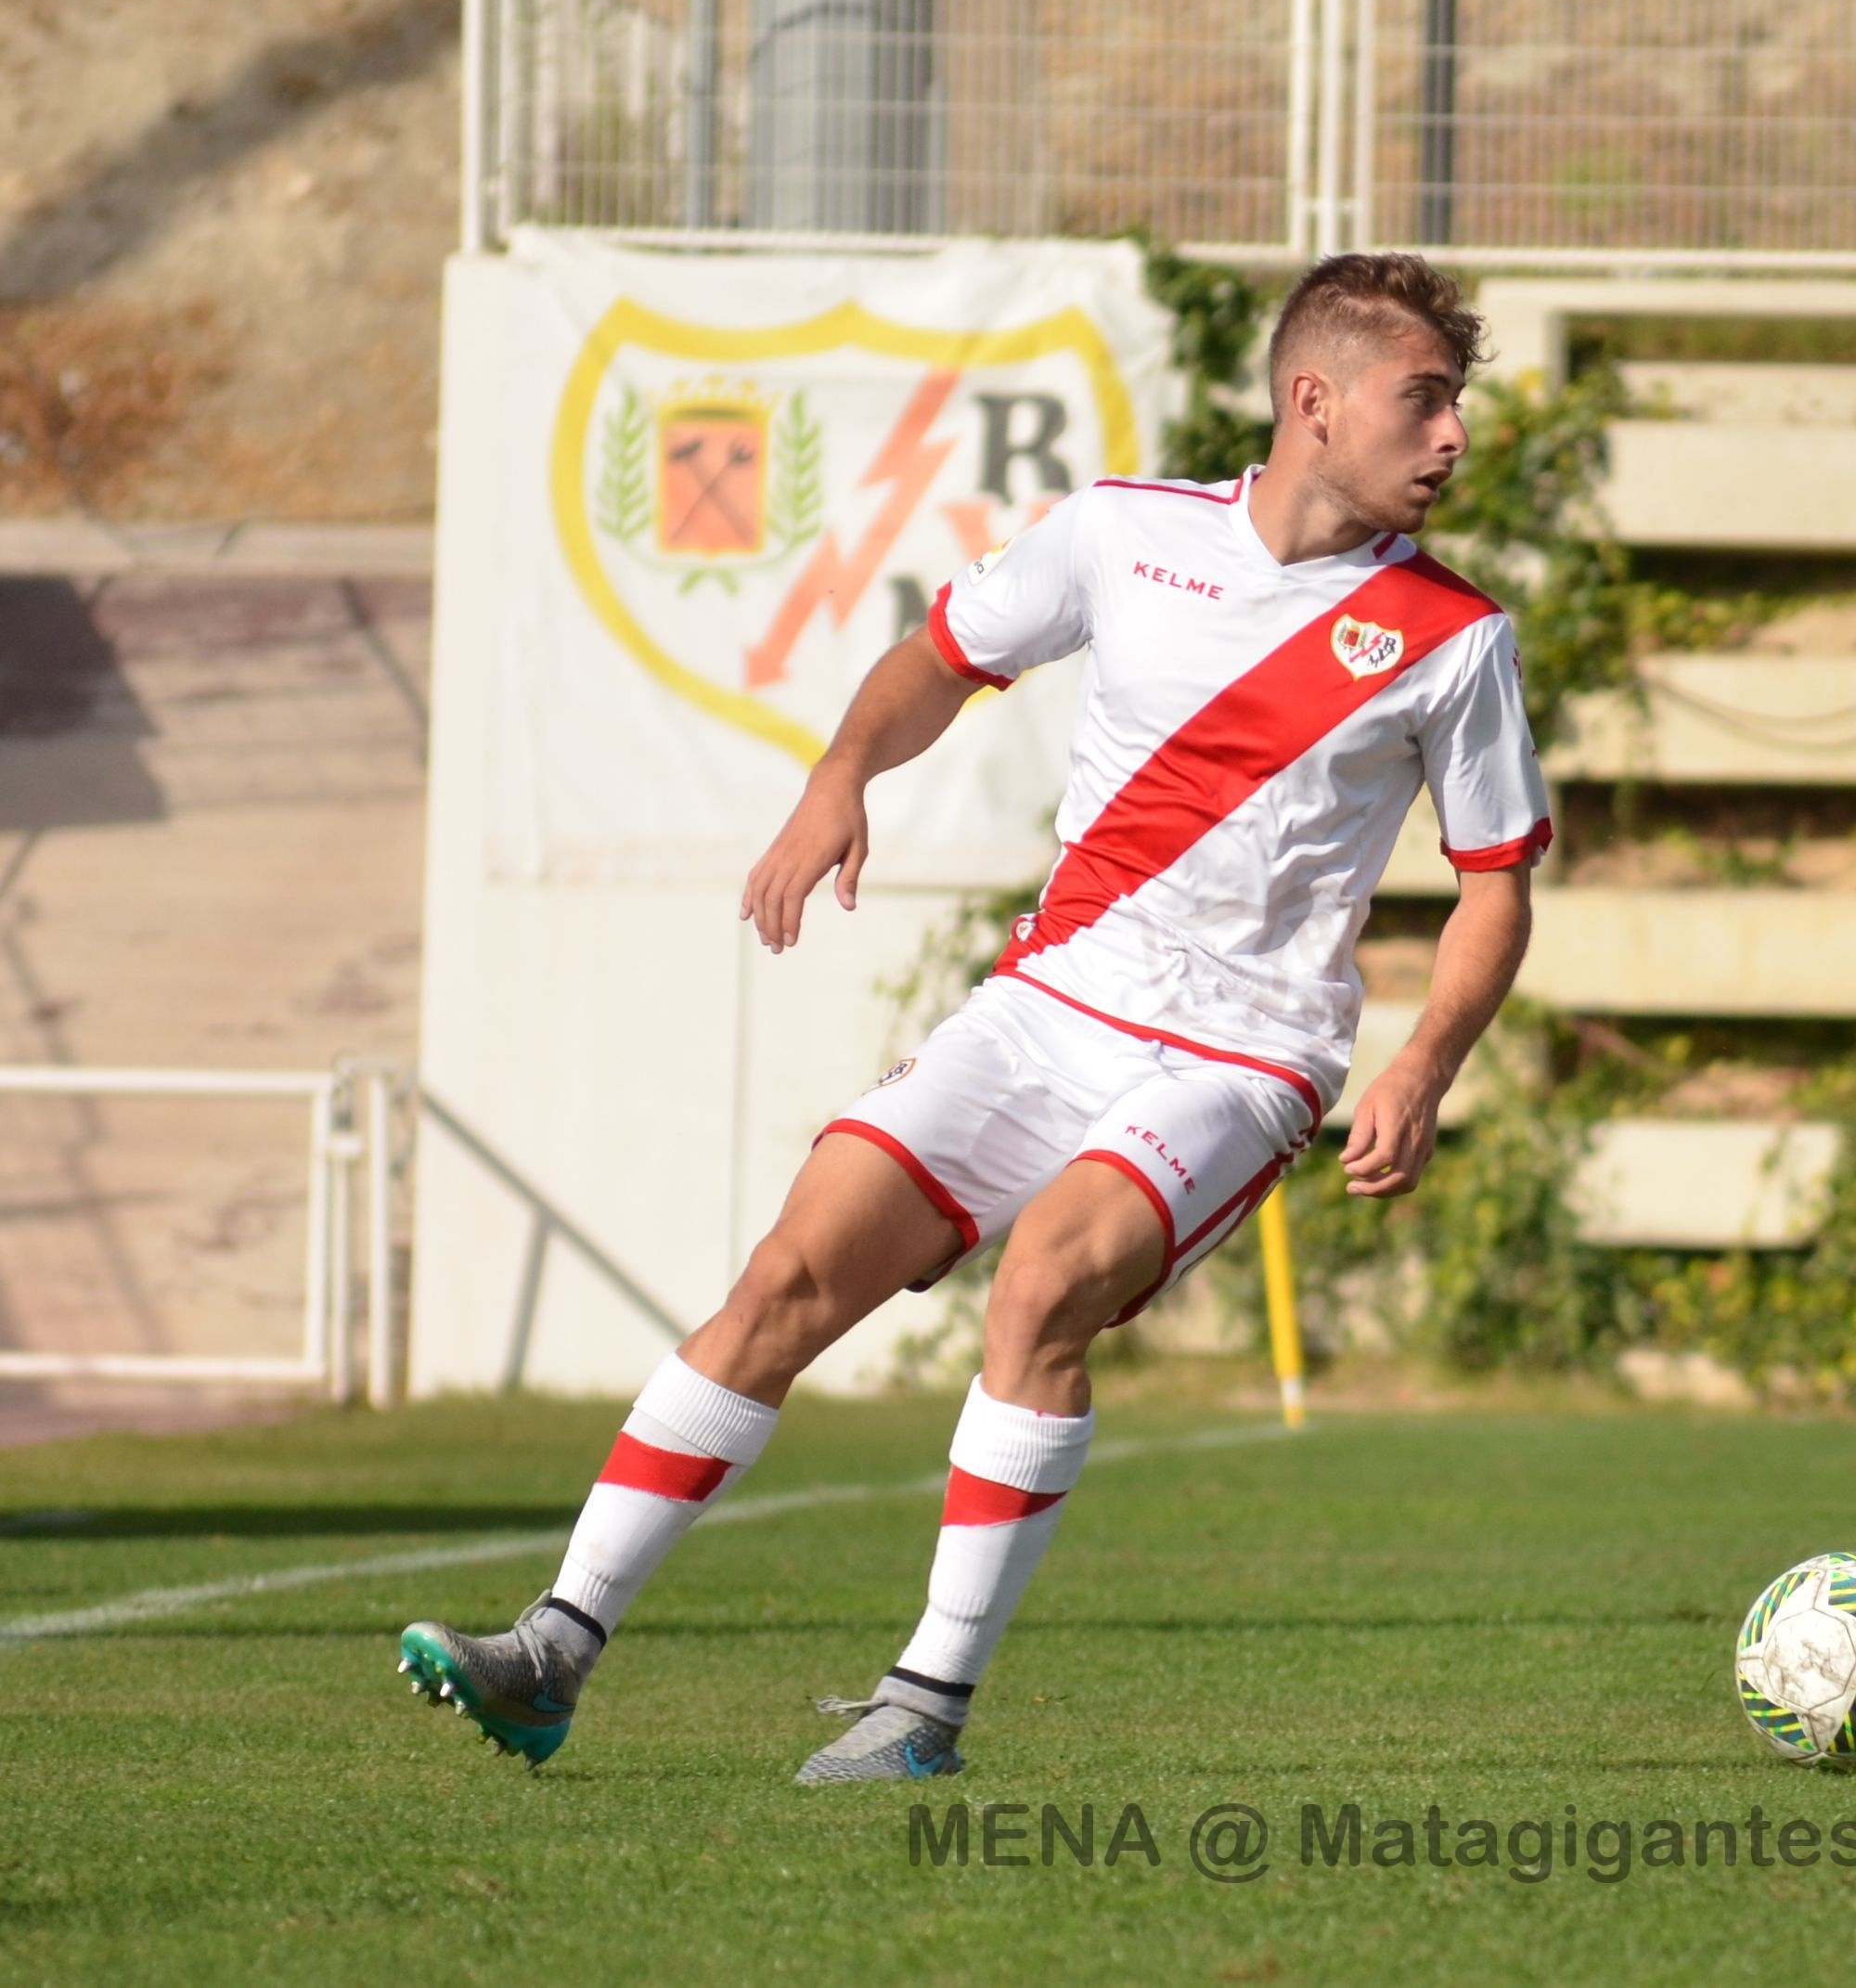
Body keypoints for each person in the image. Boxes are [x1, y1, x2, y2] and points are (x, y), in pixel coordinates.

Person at [393, 252, 1550, 1782]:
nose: (1453, 434)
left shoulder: (1452, 637)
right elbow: (944, 656)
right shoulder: (1123, 534)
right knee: (790, 1271)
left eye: (1455, 403)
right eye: (1425, 400)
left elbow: (1496, 885)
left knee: (1043, 1283)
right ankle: (553, 1647)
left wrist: (1422, 1056)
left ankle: (920, 1710)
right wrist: (836, 778)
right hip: (1047, 1008)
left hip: (1241, 1057)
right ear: (1312, 402)